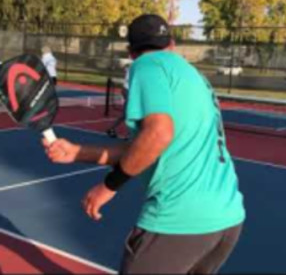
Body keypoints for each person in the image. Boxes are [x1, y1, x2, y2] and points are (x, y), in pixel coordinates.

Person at [42, 14, 246, 274]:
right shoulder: (192, 75)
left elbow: (158, 135)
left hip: (180, 220)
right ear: (172, 44)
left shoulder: (146, 65)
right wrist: (77, 152)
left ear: (131, 51)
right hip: (227, 218)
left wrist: (108, 186)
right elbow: (145, 147)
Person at [106, 61, 131, 138]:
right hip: (128, 90)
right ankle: (129, 135)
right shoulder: (134, 67)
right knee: (130, 113)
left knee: (126, 114)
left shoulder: (132, 67)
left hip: (127, 90)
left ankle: (111, 129)